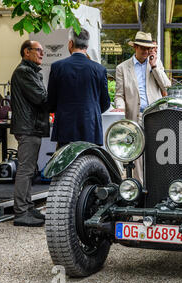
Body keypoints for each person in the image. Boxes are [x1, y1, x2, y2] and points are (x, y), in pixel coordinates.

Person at [114, 31, 171, 182]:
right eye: (143, 48)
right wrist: (120, 109)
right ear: (136, 47)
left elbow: (166, 85)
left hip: (154, 115)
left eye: (149, 48)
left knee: (157, 152)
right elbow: (119, 95)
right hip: (135, 116)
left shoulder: (156, 64)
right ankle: (139, 187)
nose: (146, 52)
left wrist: (154, 67)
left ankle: (157, 184)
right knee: (137, 154)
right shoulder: (122, 68)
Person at [48, 28, 110, 149]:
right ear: (87, 46)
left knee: (65, 165)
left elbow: (51, 102)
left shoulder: (57, 67)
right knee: (89, 165)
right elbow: (105, 103)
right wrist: (91, 111)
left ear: (70, 43)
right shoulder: (99, 69)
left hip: (65, 128)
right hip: (91, 128)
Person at [10, 40, 49, 227]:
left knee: (28, 170)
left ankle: (27, 206)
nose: (42, 54)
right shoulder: (24, 72)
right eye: (39, 50)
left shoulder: (29, 71)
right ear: (27, 52)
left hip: (30, 127)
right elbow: (41, 97)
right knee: (25, 171)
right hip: (28, 128)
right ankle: (21, 212)